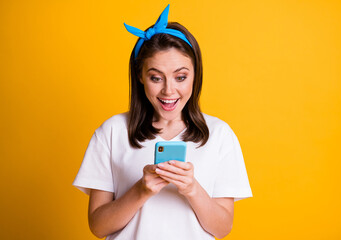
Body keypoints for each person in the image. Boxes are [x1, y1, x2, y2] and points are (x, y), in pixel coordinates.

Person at [73, 4, 252, 240]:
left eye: (180, 77)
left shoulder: (219, 135)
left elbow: (222, 228)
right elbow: (98, 226)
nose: (169, 90)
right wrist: (141, 190)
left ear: (195, 74)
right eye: (156, 77)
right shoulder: (113, 132)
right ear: (140, 76)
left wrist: (192, 189)